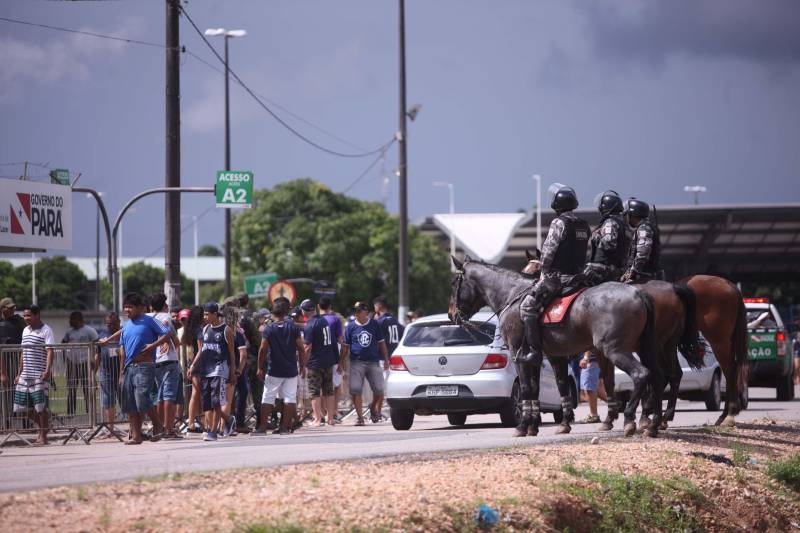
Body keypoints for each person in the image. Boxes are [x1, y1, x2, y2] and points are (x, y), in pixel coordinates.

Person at [520, 186, 590, 364]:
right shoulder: (584, 224)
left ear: (556, 205)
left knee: (527, 307)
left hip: (558, 279)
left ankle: (535, 352)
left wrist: (543, 270)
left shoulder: (559, 223)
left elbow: (549, 251)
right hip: (579, 278)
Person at [118, 293, 171, 445]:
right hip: (129, 368)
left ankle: (158, 424)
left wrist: (153, 346)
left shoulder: (149, 321)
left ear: (140, 308)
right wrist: (121, 371)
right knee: (130, 403)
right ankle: (136, 436)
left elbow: (167, 334)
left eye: (130, 307)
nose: (127, 310)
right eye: (126, 307)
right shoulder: (126, 326)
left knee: (142, 398)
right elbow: (122, 350)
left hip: (145, 366)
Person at [253, 298, 307, 435]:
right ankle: (284, 428)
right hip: (291, 369)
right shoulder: (293, 327)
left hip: (274, 369)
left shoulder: (269, 329)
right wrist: (302, 366)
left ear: (273, 312)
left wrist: (259, 367)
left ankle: (262, 427)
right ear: (285, 312)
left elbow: (263, 349)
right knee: (289, 397)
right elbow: (301, 348)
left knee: (268, 397)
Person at [188, 302, 237, 442]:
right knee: (207, 401)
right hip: (206, 369)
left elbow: (232, 354)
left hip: (220, 369)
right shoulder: (205, 330)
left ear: (215, 314)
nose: (205, 317)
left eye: (207, 314)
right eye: (204, 314)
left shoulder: (226, 330)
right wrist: (192, 365)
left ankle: (213, 431)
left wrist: (232, 371)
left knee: (216, 400)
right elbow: (201, 350)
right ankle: (226, 420)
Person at [341, 301, 389, 426]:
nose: (356, 313)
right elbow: (345, 346)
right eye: (355, 311)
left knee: (379, 390)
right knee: (356, 391)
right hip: (357, 362)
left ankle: (373, 407)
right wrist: (342, 362)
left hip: (373, 361)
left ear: (366, 312)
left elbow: (381, 343)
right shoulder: (350, 326)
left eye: (359, 311)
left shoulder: (374, 324)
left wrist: (386, 359)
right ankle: (360, 418)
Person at [13, 305, 54, 445]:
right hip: (25, 375)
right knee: (22, 408)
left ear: (37, 315)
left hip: (38, 374)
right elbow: (23, 352)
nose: (26, 318)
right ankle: (45, 427)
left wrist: (47, 370)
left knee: (40, 407)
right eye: (24, 316)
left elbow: (50, 351)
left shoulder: (46, 330)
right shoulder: (25, 330)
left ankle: (43, 436)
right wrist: (19, 373)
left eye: (29, 315)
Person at [148, 293, 183, 439]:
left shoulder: (148, 317)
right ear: (165, 305)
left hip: (156, 360)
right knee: (169, 396)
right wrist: (171, 343)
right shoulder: (166, 317)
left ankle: (160, 427)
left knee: (160, 396)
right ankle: (168, 429)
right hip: (169, 360)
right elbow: (174, 339)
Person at [301, 299, 338, 427]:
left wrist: (303, 364)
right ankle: (331, 419)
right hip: (328, 361)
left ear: (304, 311)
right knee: (329, 390)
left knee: (314, 391)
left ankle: (317, 419)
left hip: (315, 362)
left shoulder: (310, 324)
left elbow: (307, 347)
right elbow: (333, 341)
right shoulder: (324, 321)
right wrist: (336, 359)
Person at [584, 190, 628, 285]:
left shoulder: (609, 222)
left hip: (604, 268)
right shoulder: (623, 225)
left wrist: (598, 238)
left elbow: (608, 242)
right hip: (618, 268)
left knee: (579, 283)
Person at [62, 311, 99, 417]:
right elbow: (63, 343)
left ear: (78, 319)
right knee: (71, 389)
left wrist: (94, 359)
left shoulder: (90, 331)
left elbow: (97, 344)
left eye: (71, 319)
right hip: (72, 363)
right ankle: (70, 413)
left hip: (85, 363)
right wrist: (66, 358)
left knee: (87, 388)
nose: (69, 321)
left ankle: (90, 412)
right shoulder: (69, 332)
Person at [621, 198, 662, 284]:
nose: (626, 218)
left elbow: (643, 253)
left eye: (627, 214)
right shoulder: (647, 227)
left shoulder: (644, 228)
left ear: (632, 214)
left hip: (644, 276)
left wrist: (633, 271)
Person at [95, 312, 123, 438]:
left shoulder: (123, 333)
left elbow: (125, 352)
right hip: (106, 372)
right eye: (108, 324)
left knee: (125, 400)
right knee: (108, 401)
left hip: (122, 372)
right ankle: (110, 429)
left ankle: (132, 425)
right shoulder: (102, 334)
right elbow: (98, 355)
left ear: (119, 323)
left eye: (112, 324)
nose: (110, 326)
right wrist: (93, 372)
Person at [0, 297, 26, 422]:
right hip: (3, 360)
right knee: (4, 390)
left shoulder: (19, 321)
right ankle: (6, 421)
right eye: (9, 308)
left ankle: (25, 421)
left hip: (18, 358)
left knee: (20, 388)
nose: (12, 310)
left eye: (13, 307)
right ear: (2, 309)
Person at [318, 297, 344, 423]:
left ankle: (322, 412)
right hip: (334, 353)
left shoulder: (315, 320)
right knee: (336, 384)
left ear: (318, 306)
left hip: (319, 353)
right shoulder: (335, 319)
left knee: (322, 384)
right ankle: (333, 411)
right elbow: (340, 339)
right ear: (330, 306)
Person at [578, 351, 601, 423]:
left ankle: (594, 415)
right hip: (595, 360)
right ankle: (614, 407)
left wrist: (585, 358)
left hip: (591, 361)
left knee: (589, 389)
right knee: (598, 389)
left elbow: (589, 343)